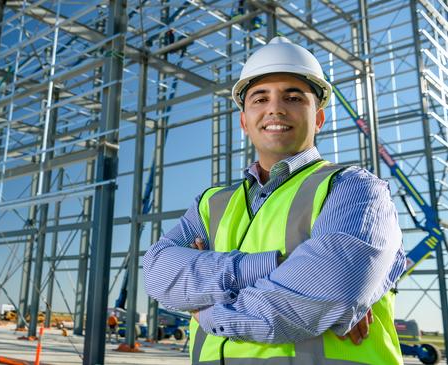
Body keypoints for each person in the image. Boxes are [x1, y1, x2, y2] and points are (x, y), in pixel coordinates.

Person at [142, 37, 406, 364]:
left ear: (319, 119)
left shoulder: (353, 189)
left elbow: (322, 293)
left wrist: (205, 309)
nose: (275, 108)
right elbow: (157, 274)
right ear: (244, 122)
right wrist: (278, 267)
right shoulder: (211, 204)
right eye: (260, 98)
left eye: (293, 97)